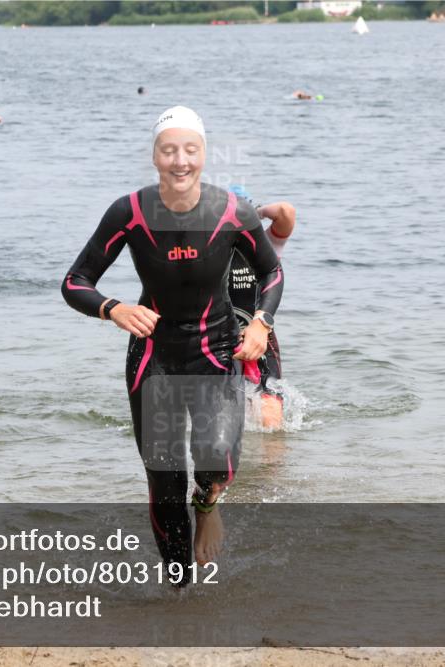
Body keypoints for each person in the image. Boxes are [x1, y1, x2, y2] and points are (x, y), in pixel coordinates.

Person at [62, 106, 283, 582]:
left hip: (216, 348)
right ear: (155, 156)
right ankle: (180, 588)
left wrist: (261, 322)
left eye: (190, 150)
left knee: (216, 462)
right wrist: (113, 308)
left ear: (204, 155)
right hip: (154, 355)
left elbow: (272, 270)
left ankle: (208, 504)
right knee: (164, 479)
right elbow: (76, 281)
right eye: (169, 151)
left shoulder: (231, 211)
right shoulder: (131, 212)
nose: (180, 161)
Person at [227, 186, 296, 431]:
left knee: (269, 417)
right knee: (226, 414)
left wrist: (259, 212)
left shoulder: (265, 245)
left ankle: (270, 468)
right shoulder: (209, 248)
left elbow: (286, 211)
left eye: (243, 218)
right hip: (220, 337)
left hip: (259, 335)